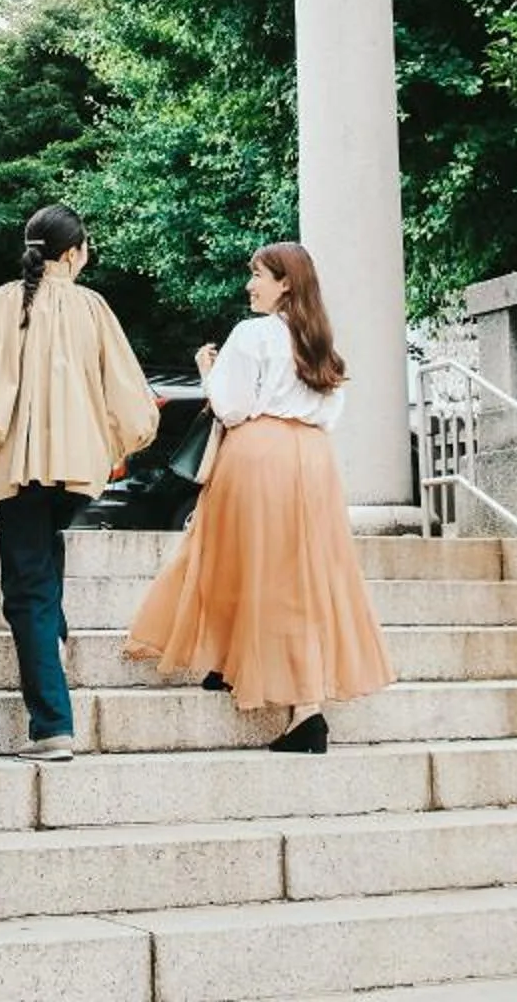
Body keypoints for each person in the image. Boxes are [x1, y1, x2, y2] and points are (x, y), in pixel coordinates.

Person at [123, 241, 390, 753]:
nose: (250, 284)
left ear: (285, 283)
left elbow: (232, 407)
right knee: (300, 573)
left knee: (237, 559)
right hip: (313, 458)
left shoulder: (253, 334)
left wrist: (208, 374)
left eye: (259, 275)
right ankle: (272, 686)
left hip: (259, 454)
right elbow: (331, 409)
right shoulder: (319, 340)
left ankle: (285, 697)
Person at [0, 203, 160, 763]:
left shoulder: (7, 302)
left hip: (19, 465)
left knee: (26, 588)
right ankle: (54, 637)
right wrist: (120, 441)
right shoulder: (94, 307)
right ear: (74, 253)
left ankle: (52, 725)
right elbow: (129, 393)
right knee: (43, 560)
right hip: (79, 468)